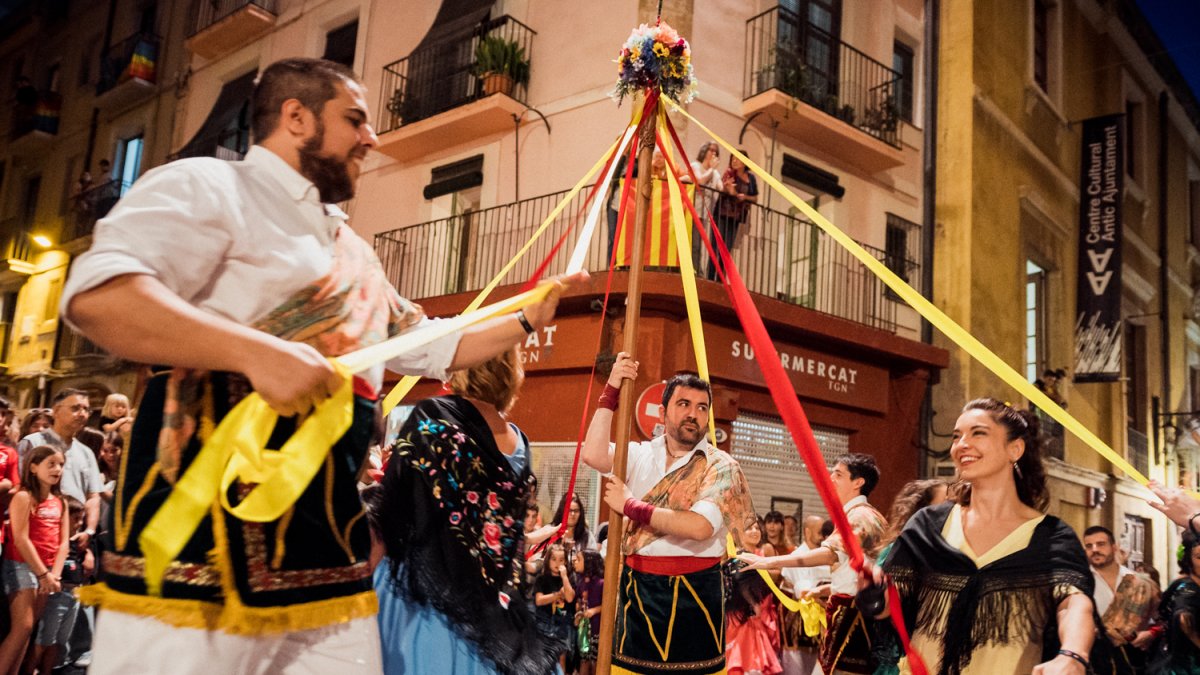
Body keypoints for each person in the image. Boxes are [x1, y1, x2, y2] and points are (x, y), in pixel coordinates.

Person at [60, 58, 582, 674]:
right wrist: (252, 352)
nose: (373, 137)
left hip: (327, 552)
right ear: (296, 117)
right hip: (200, 545)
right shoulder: (208, 186)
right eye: (355, 119)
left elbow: (431, 343)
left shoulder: (354, 252)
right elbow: (99, 295)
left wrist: (529, 318)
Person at [863, 398, 1102, 675]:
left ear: (1015, 449)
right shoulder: (928, 525)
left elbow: (1074, 603)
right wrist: (872, 592)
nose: (961, 444)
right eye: (957, 436)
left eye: (978, 433)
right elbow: (889, 606)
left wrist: (1072, 655)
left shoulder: (1051, 537)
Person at [369, 347, 560, 675]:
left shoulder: (432, 415)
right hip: (492, 604)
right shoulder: (520, 442)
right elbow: (502, 535)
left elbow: (392, 511)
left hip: (423, 598)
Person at [581, 352, 756, 674]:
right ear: (663, 411)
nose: (693, 414)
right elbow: (592, 454)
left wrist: (631, 506)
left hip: (697, 596)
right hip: (638, 591)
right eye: (684, 404)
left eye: (702, 408)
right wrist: (612, 389)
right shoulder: (639, 453)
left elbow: (700, 527)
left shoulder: (721, 466)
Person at [742, 453, 888, 675]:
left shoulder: (859, 515)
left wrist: (770, 561)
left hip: (852, 617)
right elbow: (858, 568)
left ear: (858, 483)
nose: (830, 478)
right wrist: (827, 589)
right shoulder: (867, 514)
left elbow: (830, 554)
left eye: (838, 474)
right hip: (855, 610)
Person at [868, 478, 950, 675]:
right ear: (923, 512)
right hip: (903, 657)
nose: (953, 509)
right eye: (946, 502)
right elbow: (884, 605)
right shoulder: (899, 551)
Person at [0, 446, 69, 674]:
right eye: (51, 463)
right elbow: (20, 538)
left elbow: (63, 543)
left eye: (60, 464)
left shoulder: (61, 501)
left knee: (28, 631)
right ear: (33, 466)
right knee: (23, 625)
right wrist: (42, 573)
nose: (57, 469)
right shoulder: (23, 496)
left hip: (48, 572)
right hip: (22, 566)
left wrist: (54, 574)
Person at [1082, 526, 1158, 673]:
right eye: (1089, 546)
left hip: (1134, 658)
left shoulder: (1138, 582)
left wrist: (1151, 633)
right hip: (1095, 659)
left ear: (1114, 547)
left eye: (1101, 544)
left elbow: (1162, 618)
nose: (1095, 549)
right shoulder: (1081, 583)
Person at [33, 495, 87, 675]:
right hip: (56, 594)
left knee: (59, 641)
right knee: (43, 640)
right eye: (75, 519)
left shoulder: (76, 543)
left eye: (82, 519)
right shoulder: (54, 542)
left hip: (74, 595)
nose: (79, 524)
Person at [725, 516, 782, 675]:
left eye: (757, 528)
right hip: (741, 613)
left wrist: (757, 568)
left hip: (765, 610)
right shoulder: (733, 554)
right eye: (749, 528)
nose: (755, 531)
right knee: (741, 659)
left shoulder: (766, 550)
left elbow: (778, 574)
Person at [778, 514, 831, 675]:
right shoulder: (797, 556)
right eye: (819, 532)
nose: (823, 536)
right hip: (796, 627)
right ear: (807, 532)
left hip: (817, 628)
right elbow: (804, 592)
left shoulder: (824, 556)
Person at [1146, 531, 1200, 673]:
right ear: (1188, 560)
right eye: (1199, 557)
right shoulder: (1187, 589)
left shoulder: (1180, 584)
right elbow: (1183, 617)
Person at [707, 152, 757, 281]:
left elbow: (755, 197)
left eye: (737, 159)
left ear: (744, 162)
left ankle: (719, 279)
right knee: (716, 245)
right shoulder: (729, 173)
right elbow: (723, 189)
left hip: (736, 217)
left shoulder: (750, 179)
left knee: (727, 249)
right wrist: (729, 189)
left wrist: (744, 197)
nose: (734, 161)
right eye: (732, 159)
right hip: (722, 213)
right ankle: (710, 276)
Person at [535, 544, 576, 671]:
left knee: (561, 659)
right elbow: (539, 600)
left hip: (562, 623)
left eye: (561, 560)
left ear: (566, 561)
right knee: (543, 659)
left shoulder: (569, 579)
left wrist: (564, 577)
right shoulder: (541, 579)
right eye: (553, 559)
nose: (557, 563)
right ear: (548, 560)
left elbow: (569, 597)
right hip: (544, 622)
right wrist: (558, 594)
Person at [690, 141, 723, 270]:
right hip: (692, 210)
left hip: (704, 213)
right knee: (694, 244)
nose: (713, 154)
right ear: (704, 151)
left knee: (698, 244)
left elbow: (721, 187)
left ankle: (697, 269)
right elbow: (700, 181)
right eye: (711, 150)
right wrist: (712, 169)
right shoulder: (695, 166)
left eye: (716, 152)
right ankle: (695, 270)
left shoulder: (715, 174)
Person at [572, 549, 604, 675]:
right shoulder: (581, 583)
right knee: (583, 659)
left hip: (597, 630)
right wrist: (578, 610)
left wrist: (594, 610)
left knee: (596, 661)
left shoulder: (601, 583)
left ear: (589, 563)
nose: (575, 561)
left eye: (579, 559)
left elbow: (608, 605)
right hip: (584, 629)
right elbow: (580, 600)